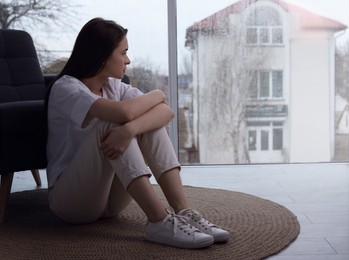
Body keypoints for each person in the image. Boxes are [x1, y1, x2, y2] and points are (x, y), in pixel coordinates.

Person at [45, 17, 229, 249]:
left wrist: (131, 130)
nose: (128, 60)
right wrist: (157, 95)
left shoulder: (114, 87)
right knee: (111, 124)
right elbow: (124, 112)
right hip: (71, 202)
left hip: (110, 202)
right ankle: (159, 221)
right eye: (123, 53)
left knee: (143, 123)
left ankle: (184, 211)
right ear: (102, 55)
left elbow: (165, 112)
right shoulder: (66, 88)